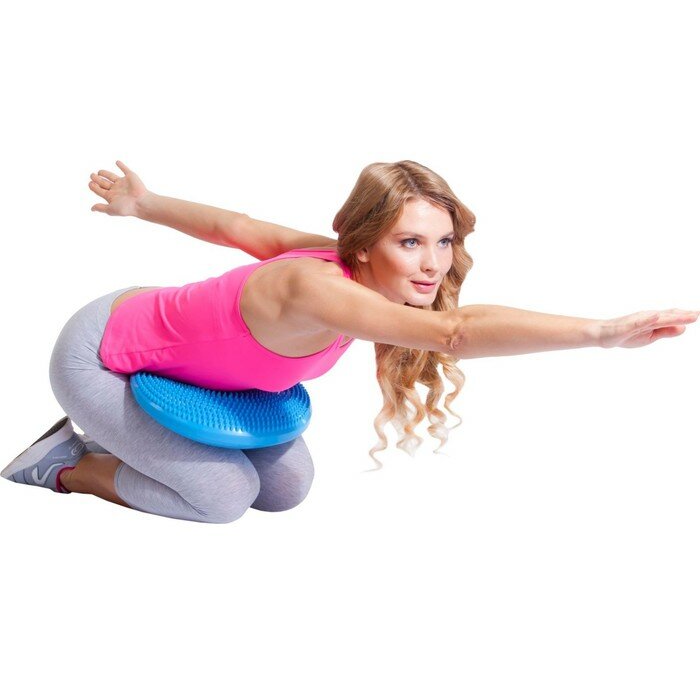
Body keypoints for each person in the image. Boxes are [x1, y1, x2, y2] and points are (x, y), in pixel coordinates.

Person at [3, 160, 698, 524]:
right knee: (220, 500)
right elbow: (454, 332)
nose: (433, 264)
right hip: (103, 357)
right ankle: (67, 464)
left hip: (198, 372)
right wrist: (601, 333)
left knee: (284, 491)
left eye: (443, 241)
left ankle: (127, 441)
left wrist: (146, 204)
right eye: (410, 242)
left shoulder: (354, 267)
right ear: (365, 244)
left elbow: (237, 228)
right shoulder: (318, 288)